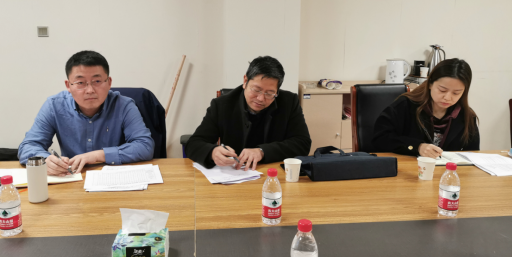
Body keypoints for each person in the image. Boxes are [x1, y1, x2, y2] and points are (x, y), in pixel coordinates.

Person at [18, 51, 154, 176]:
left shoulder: (124, 105)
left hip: (113, 177)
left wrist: (97, 155)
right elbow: (27, 146)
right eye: (80, 82)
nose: (90, 90)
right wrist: (45, 160)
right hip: (71, 178)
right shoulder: (54, 105)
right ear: (68, 85)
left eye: (97, 81)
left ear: (109, 82)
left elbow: (145, 146)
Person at [186, 56, 312, 170]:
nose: (261, 98)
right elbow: (194, 143)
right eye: (256, 90)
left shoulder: (289, 102)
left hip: (273, 173)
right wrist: (212, 152)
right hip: (235, 174)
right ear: (245, 81)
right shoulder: (221, 105)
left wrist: (262, 151)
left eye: (269, 93)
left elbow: (302, 143)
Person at [373, 58, 480, 157]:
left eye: (456, 93)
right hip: (409, 167)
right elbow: (380, 139)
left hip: (446, 170)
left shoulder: (467, 116)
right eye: (442, 90)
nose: (447, 98)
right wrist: (417, 147)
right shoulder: (405, 105)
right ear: (430, 84)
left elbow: (473, 154)